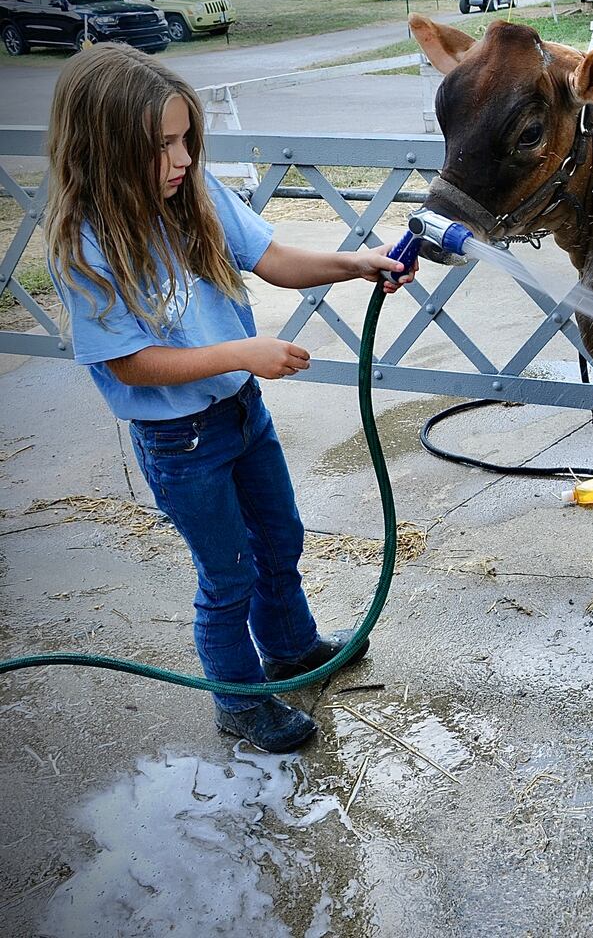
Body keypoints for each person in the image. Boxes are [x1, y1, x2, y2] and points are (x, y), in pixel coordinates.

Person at [44, 44, 416, 753]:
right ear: (102, 150)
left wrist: (355, 262)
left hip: (243, 416)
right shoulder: (87, 247)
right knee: (227, 575)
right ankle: (241, 701)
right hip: (181, 443)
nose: (183, 158)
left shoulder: (194, 196)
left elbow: (273, 259)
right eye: (162, 146)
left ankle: (291, 647)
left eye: (186, 139)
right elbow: (131, 364)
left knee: (280, 539)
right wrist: (244, 354)